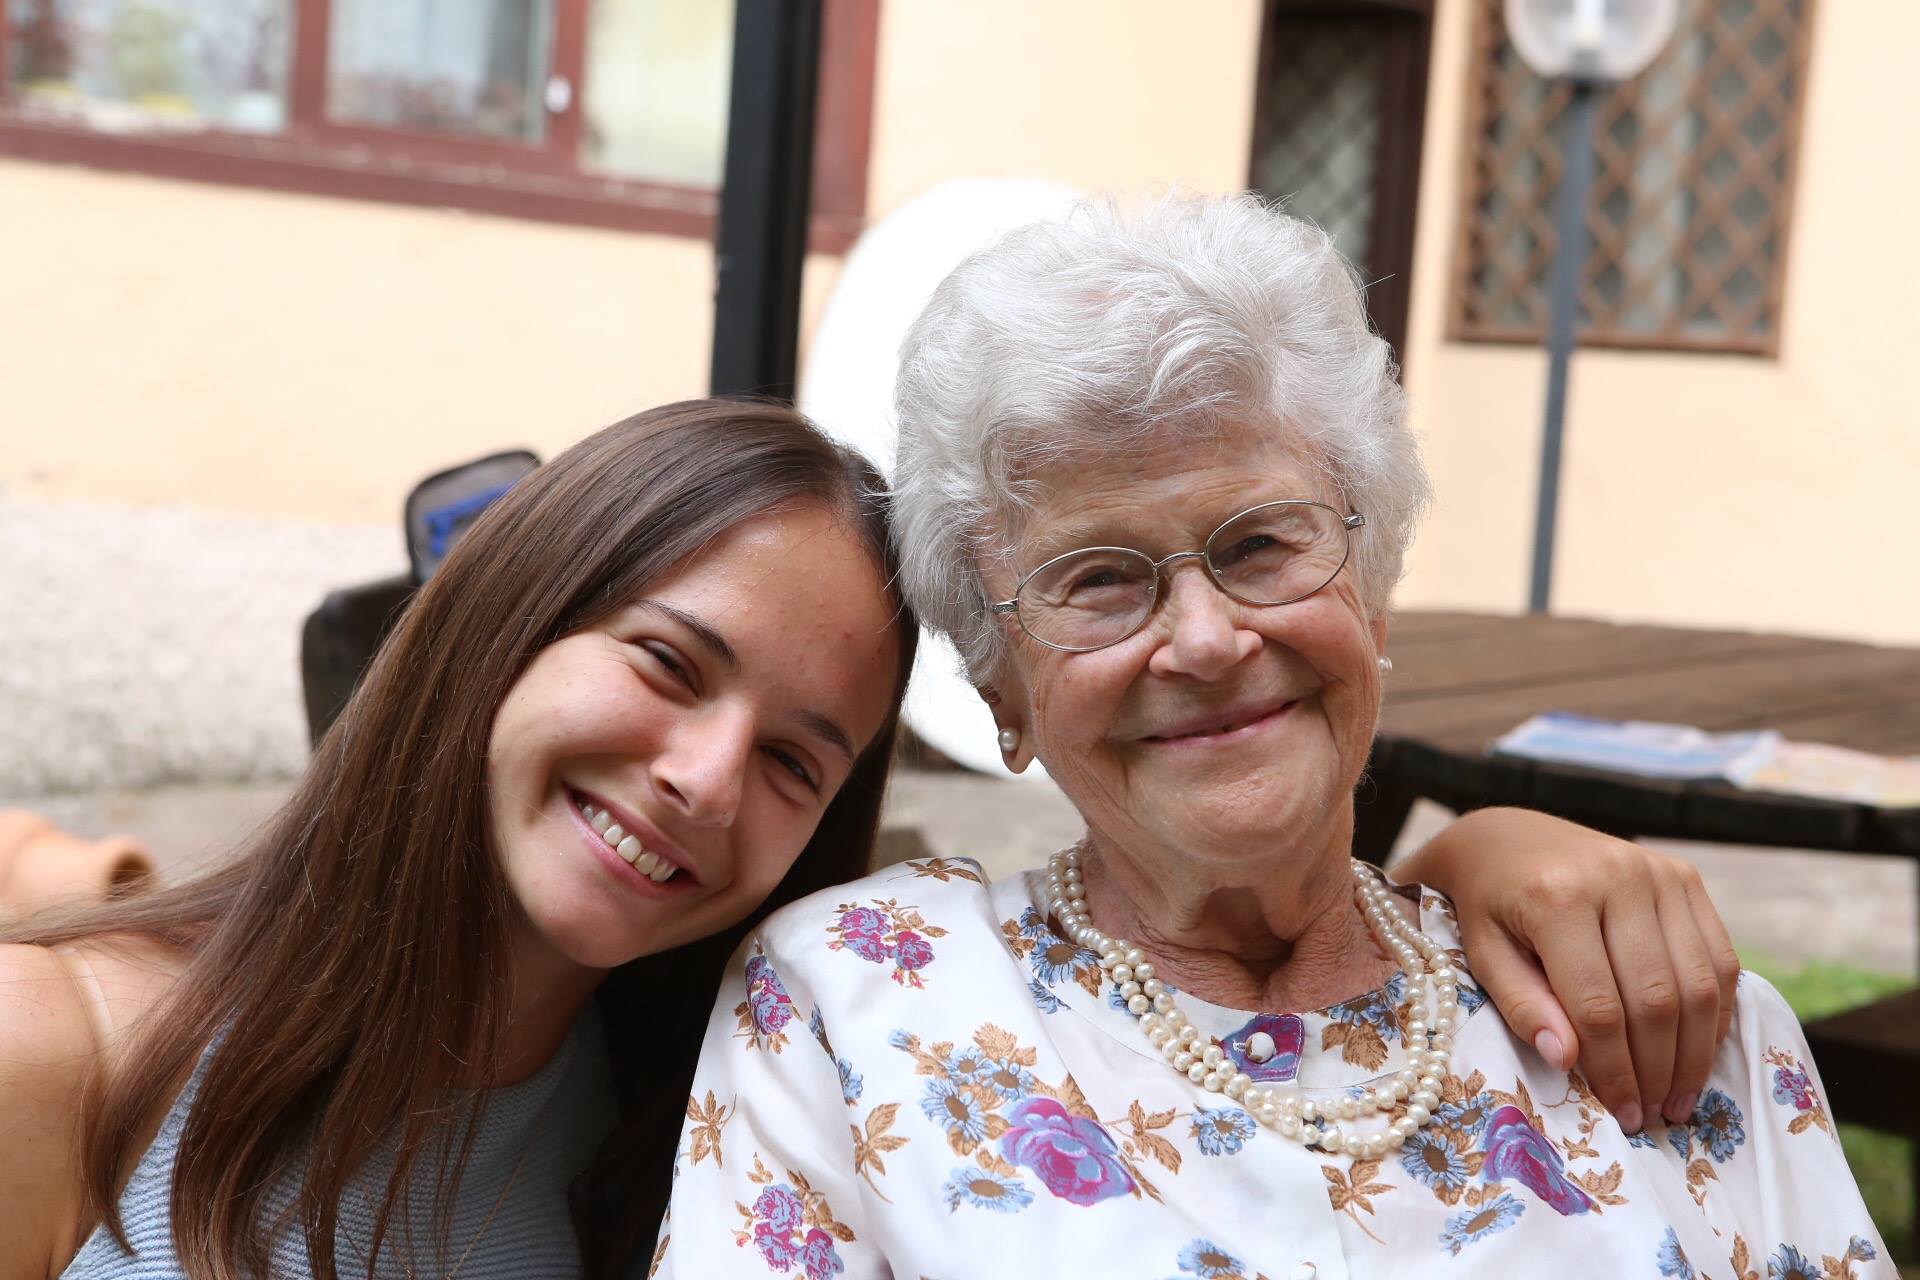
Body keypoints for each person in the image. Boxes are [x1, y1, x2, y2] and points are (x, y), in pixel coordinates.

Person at [0, 403, 1755, 1280]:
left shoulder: (727, 1099)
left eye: (795, 758)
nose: (699, 779)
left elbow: (1236, 925)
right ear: (488, 633)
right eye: (664, 666)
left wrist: (1473, 860)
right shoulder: (56, 1060)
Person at [652, 199, 1889, 1279]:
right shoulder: (857, 1005)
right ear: (1002, 692)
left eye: (1260, 544)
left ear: (1374, 587)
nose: (1204, 639)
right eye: (1098, 579)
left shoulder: (1650, 1007)